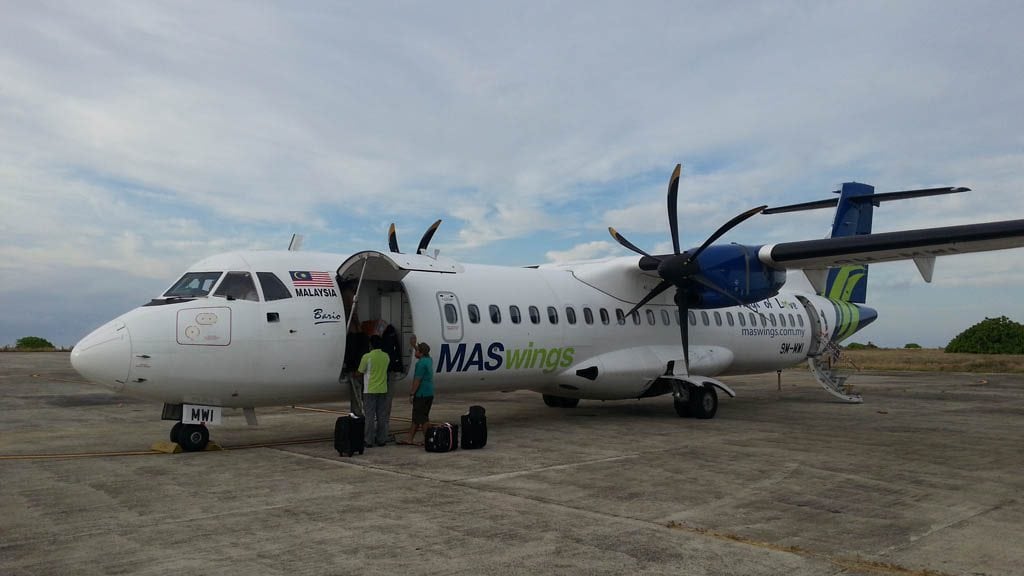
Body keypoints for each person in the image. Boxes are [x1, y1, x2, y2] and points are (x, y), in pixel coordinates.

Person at [355, 334, 390, 447]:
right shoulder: (386, 356)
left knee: (369, 417)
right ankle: (382, 439)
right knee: (382, 416)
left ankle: (368, 440)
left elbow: (359, 372)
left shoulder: (367, 357)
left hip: (370, 390)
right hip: (383, 389)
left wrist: (354, 374)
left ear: (371, 345)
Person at [402, 335, 434, 446]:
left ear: (420, 353)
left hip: (421, 394)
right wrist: (415, 346)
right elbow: (422, 353)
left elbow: (417, 381)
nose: (414, 353)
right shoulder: (429, 360)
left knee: (422, 418)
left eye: (417, 351)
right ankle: (409, 438)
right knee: (416, 417)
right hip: (429, 393)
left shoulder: (420, 364)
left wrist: (412, 393)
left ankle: (429, 439)